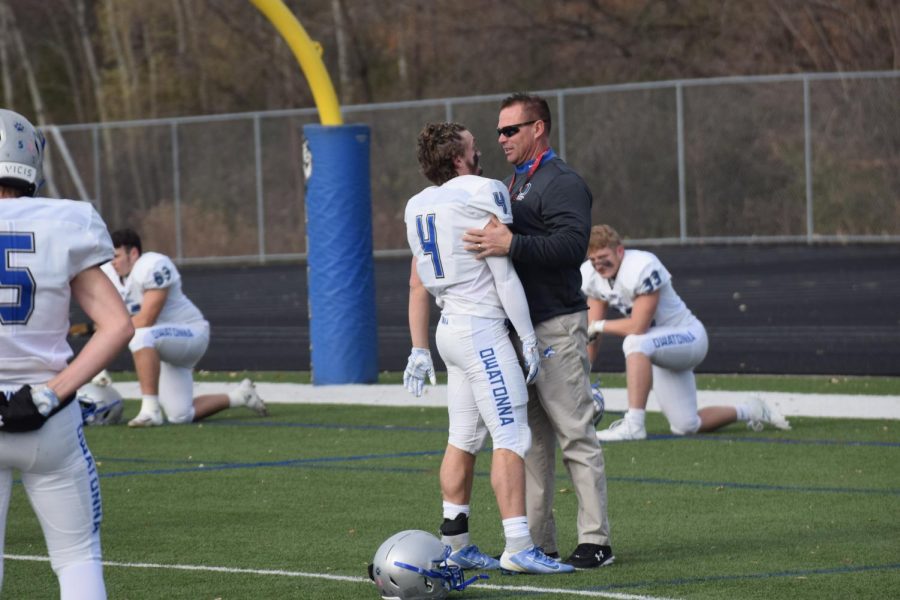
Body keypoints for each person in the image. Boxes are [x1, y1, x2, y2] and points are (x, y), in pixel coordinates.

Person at [403, 122, 574, 574]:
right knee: (512, 435)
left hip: (448, 329)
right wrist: (530, 338)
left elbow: (417, 281)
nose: (482, 151)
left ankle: (455, 543)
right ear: (457, 158)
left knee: (462, 437)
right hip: (481, 330)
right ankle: (518, 544)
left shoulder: (417, 204)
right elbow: (503, 273)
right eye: (473, 147)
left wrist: (419, 348)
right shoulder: (482, 190)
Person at [461, 93, 613, 569]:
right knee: (531, 442)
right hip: (521, 331)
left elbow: (571, 248)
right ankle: (537, 543)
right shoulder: (519, 180)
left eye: (511, 130)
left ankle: (596, 541)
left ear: (538, 129)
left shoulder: (560, 180)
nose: (501, 138)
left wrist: (512, 243)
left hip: (555, 326)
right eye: (499, 131)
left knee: (576, 434)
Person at [0, 108, 134, 599]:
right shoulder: (65, 220)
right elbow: (118, 326)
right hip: (48, 414)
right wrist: (50, 393)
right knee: (77, 558)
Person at [583, 224, 791, 441]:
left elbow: (637, 326)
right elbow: (591, 331)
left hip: (688, 337)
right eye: (593, 259)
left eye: (603, 256)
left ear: (619, 251)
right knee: (686, 425)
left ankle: (634, 424)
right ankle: (751, 410)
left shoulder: (641, 265)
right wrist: (583, 374)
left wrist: (600, 325)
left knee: (634, 342)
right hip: (658, 347)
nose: (599, 264)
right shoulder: (593, 277)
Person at [106, 228, 267, 427]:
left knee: (141, 335)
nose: (113, 262)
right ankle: (241, 396)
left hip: (191, 333)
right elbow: (105, 321)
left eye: (117, 256)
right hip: (163, 343)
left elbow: (146, 319)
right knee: (180, 415)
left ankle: (150, 410)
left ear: (133, 254)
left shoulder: (151, 265)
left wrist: (108, 335)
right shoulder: (111, 276)